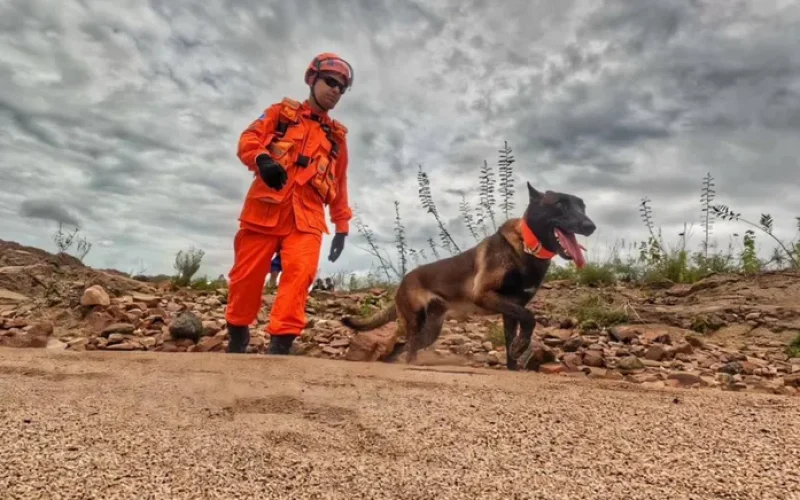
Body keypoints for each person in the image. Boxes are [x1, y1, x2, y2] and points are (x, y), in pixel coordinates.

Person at [224, 52, 354, 355]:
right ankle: (238, 333)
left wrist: (342, 226)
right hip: (264, 211)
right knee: (246, 278)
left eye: (342, 87)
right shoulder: (280, 115)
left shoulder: (336, 138)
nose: (335, 90)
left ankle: (280, 346)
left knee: (300, 275)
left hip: (307, 218)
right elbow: (248, 139)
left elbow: (340, 182)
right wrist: (262, 160)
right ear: (312, 80)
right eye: (330, 82)